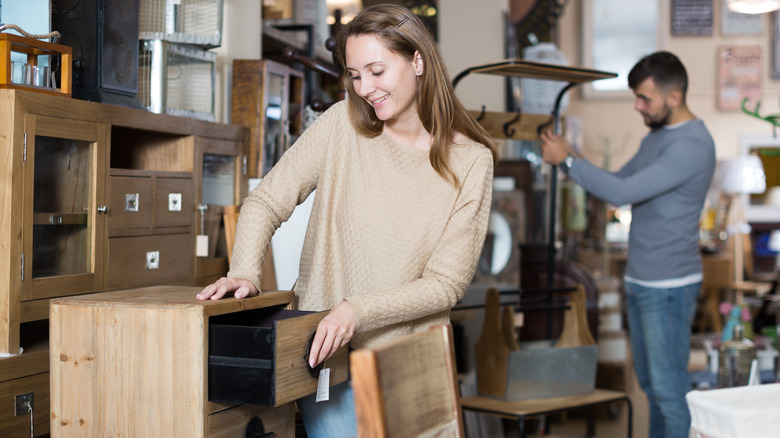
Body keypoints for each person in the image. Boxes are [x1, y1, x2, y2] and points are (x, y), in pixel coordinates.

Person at [196, 5, 497, 437]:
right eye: (355, 75)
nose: (365, 88)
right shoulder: (341, 125)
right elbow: (265, 201)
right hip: (331, 362)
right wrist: (243, 270)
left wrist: (354, 312)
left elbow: (445, 284)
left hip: (410, 365)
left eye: (376, 70)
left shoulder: (470, 161)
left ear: (418, 61)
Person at [540, 51, 715, 438]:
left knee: (670, 394)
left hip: (668, 287)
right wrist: (572, 155)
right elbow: (617, 178)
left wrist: (567, 163)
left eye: (644, 99)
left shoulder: (692, 144)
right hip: (642, 281)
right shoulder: (658, 137)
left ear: (673, 97)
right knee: (652, 390)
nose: (638, 106)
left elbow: (621, 193)